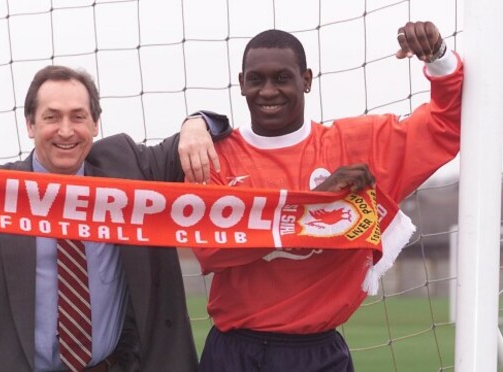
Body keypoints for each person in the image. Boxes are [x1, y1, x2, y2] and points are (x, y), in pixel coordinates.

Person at [0, 65, 231, 372]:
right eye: (51, 117)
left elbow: (198, 138)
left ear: (96, 123)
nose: (66, 131)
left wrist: (197, 123)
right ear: (30, 125)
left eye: (78, 117)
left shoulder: (128, 169)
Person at [193, 21, 462, 371]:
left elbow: (446, 127)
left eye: (282, 78)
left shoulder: (355, 145)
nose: (269, 91)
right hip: (234, 352)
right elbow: (211, 249)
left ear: (306, 80)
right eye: (256, 79)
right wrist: (315, 204)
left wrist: (438, 58)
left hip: (317, 352)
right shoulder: (215, 156)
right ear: (242, 83)